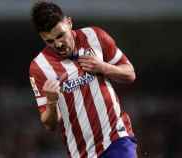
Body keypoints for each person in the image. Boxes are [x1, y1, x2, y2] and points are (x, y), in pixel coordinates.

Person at [29, 1, 137, 158]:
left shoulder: (95, 36)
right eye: (50, 41)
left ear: (69, 22)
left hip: (117, 138)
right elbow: (49, 124)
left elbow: (130, 73)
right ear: (42, 38)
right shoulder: (38, 67)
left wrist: (103, 67)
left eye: (60, 35)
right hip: (81, 151)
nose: (58, 44)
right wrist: (52, 102)